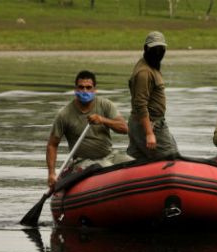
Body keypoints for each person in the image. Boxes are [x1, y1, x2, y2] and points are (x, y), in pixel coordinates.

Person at [46, 70, 129, 189]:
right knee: (107, 168)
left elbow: (124, 128)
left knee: (134, 163)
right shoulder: (64, 114)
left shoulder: (105, 105)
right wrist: (51, 174)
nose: (85, 91)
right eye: (81, 87)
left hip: (108, 154)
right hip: (84, 161)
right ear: (76, 89)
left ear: (94, 90)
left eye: (88, 87)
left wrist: (102, 120)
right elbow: (52, 145)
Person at [126, 31, 179, 161]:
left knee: (136, 161)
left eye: (161, 49)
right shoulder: (144, 72)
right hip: (150, 124)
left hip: (144, 123)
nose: (158, 52)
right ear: (146, 49)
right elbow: (140, 104)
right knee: (172, 159)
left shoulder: (150, 66)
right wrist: (149, 133)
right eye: (155, 49)